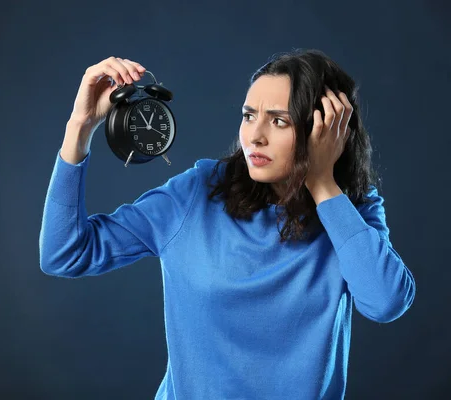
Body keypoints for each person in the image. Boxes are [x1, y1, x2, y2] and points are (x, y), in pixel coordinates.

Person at [38, 50, 416, 400]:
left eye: (279, 120)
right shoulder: (197, 192)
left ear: (325, 130)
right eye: (249, 115)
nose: (255, 135)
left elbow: (385, 302)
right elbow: (65, 254)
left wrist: (322, 183)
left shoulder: (350, 208)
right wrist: (80, 127)